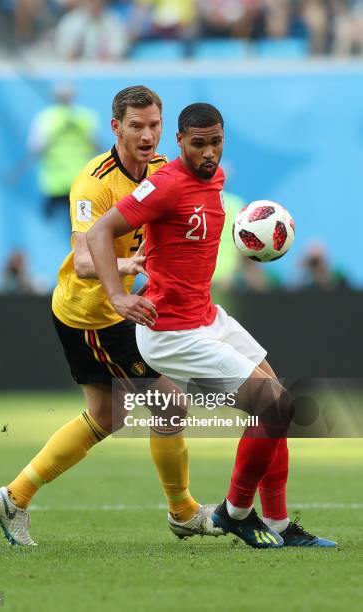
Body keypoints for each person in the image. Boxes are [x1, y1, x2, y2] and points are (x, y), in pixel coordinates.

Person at [87, 102, 337, 549]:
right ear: (179, 142)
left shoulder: (216, 177)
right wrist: (118, 295)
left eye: (215, 143)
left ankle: (279, 524)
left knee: (277, 401)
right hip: (171, 333)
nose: (208, 154)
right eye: (198, 144)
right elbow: (99, 232)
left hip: (206, 316)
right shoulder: (163, 186)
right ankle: (234, 513)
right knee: (275, 406)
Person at [0, 86, 224, 546]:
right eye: (136, 126)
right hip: (92, 312)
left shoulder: (162, 171)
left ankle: (13, 497)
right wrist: (128, 267)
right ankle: (184, 512)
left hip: (118, 307)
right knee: (169, 403)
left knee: (106, 415)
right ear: (116, 127)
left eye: (154, 125)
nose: (147, 134)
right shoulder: (94, 183)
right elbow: (84, 258)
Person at [28, 83, 100, 228]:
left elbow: (36, 147)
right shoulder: (85, 117)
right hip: (71, 183)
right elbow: (95, 148)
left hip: (62, 183)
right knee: (80, 225)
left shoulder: (48, 118)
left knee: (75, 224)